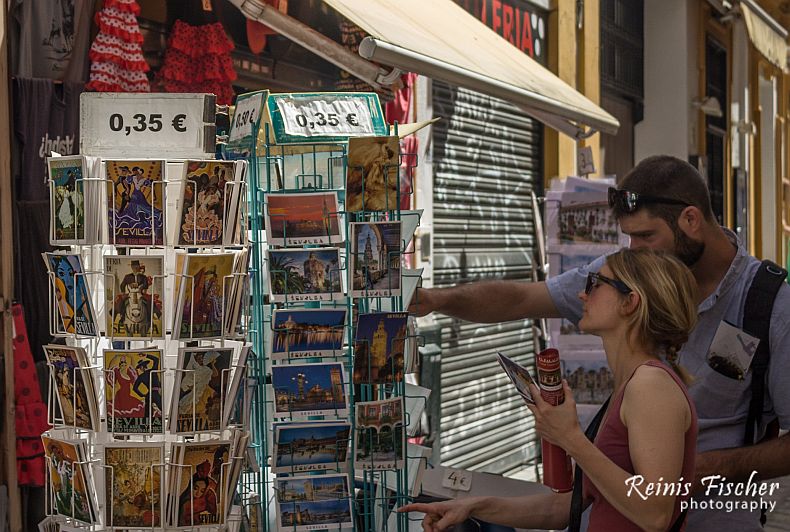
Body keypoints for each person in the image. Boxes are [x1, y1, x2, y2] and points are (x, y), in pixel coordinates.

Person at [410, 155, 790, 531]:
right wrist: (436, 300)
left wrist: (700, 466)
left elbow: (655, 512)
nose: (634, 250)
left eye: (645, 236)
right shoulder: (624, 282)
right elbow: (521, 299)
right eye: (628, 238)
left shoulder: (769, 307)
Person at [402, 248, 699, 531]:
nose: (583, 293)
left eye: (596, 284)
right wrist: (471, 506)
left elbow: (656, 513)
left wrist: (569, 438)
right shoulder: (631, 385)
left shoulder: (651, 387)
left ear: (630, 302)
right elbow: (561, 510)